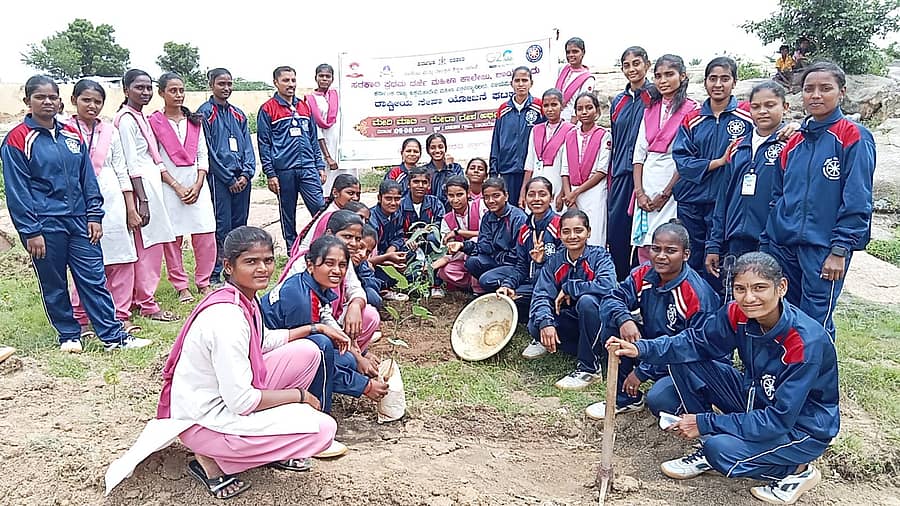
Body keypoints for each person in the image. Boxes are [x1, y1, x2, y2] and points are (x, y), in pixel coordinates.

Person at [113, 227, 339, 499]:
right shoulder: (227, 318)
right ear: (228, 266)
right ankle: (212, 459)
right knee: (323, 429)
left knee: (308, 352)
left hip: (224, 396)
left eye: (267, 260)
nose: (263, 269)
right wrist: (300, 396)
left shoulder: (242, 298)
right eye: (251, 261)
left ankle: (267, 447)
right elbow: (241, 402)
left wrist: (315, 328)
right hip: (203, 420)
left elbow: (263, 341)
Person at [607, 252, 837, 506]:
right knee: (685, 358)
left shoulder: (804, 344)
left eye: (759, 288)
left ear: (781, 287)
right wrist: (642, 349)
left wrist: (705, 422)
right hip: (755, 398)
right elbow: (694, 343)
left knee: (721, 451)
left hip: (799, 427)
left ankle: (796, 471)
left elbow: (777, 421)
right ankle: (707, 444)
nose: (749, 298)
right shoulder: (738, 313)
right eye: (740, 289)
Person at [1, 75, 149, 352]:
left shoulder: (71, 136)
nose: (47, 102)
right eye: (40, 97)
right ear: (27, 102)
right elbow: (17, 190)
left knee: (93, 277)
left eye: (52, 97)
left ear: (60, 101)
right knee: (54, 281)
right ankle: (69, 335)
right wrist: (30, 231)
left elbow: (87, 180)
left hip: (80, 221)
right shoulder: (18, 139)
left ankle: (113, 337)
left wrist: (94, 215)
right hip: (45, 225)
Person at [763, 62, 876, 339]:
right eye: (808, 89)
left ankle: (818, 380)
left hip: (824, 248)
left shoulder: (854, 137)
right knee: (785, 312)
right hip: (785, 245)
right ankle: (787, 372)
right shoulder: (793, 141)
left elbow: (858, 198)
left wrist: (840, 249)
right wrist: (771, 238)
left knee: (816, 320)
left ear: (841, 92)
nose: (816, 95)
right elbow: (778, 195)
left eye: (825, 89)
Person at [584, 220, 720, 419]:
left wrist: (642, 372)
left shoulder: (696, 295)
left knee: (659, 400)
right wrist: (624, 320)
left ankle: (705, 411)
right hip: (656, 347)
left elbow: (691, 346)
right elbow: (612, 298)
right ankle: (625, 399)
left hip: (690, 361)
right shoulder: (644, 273)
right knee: (614, 325)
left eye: (670, 250)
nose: (661, 256)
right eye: (656, 249)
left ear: (686, 255)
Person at [263, 224, 386, 414]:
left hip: (280, 349)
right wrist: (364, 386)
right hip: (265, 359)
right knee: (322, 347)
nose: (337, 271)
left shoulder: (312, 285)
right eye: (329, 264)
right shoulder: (300, 299)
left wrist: (358, 355)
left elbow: (325, 316)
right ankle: (319, 412)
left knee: (347, 359)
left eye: (342, 265)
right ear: (310, 265)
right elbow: (316, 357)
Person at [66, 79, 140, 336]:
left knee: (121, 257)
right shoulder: (64, 130)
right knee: (85, 259)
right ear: (74, 100)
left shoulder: (110, 131)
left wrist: (131, 208)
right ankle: (82, 315)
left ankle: (120, 313)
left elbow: (122, 170)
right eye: (86, 100)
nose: (92, 106)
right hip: (77, 202)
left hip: (112, 199)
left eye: (98, 101)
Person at [673, 57, 753, 289]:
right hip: (692, 201)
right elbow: (683, 162)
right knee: (691, 257)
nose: (718, 84)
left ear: (734, 82)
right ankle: (691, 308)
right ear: (705, 82)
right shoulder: (692, 119)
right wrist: (717, 162)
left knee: (721, 262)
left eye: (725, 79)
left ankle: (721, 314)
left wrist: (792, 127)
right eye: (713, 79)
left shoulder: (747, 118)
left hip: (727, 203)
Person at [707, 81, 788, 279]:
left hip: (771, 242)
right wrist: (714, 243)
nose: (762, 111)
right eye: (756, 106)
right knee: (733, 298)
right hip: (735, 239)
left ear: (785, 107)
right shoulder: (737, 146)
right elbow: (723, 197)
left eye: (770, 105)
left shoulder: (791, 144)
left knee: (764, 298)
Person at [527, 209, 617, 390]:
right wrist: (546, 323)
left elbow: (608, 285)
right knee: (535, 326)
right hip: (573, 320)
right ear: (559, 234)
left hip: (600, 322)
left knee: (587, 301)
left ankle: (589, 369)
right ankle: (587, 350)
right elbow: (541, 294)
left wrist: (570, 287)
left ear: (588, 232)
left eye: (578, 230)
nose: (572, 236)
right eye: (566, 231)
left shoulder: (600, 256)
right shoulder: (555, 261)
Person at [115, 69, 179, 323]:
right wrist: (142, 201)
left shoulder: (139, 116)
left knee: (150, 247)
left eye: (148, 87)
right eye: (139, 87)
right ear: (126, 89)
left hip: (151, 186)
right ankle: (146, 303)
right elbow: (131, 164)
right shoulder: (127, 120)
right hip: (144, 190)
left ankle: (139, 298)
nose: (145, 92)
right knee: (147, 249)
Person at [149, 73, 217, 303]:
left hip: (197, 185)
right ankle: (181, 285)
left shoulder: (194, 121)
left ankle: (204, 281)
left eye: (181, 90)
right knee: (173, 238)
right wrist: (176, 186)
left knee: (205, 233)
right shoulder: (154, 123)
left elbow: (202, 154)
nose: (178, 95)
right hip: (168, 186)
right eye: (172, 90)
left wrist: (198, 184)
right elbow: (155, 158)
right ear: (161, 93)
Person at [632, 55, 697, 264]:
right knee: (645, 241)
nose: (662, 80)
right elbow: (639, 154)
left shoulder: (693, 110)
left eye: (669, 74)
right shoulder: (650, 109)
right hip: (647, 180)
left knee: (669, 241)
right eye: (658, 76)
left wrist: (666, 192)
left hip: (673, 181)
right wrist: (639, 193)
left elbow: (686, 156)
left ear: (683, 76)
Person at [197, 68, 256, 286]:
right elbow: (207, 151)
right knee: (222, 226)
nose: (226, 88)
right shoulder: (204, 113)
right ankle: (215, 271)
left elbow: (248, 147)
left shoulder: (238, 114)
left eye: (229, 84)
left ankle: (237, 270)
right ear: (211, 84)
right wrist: (229, 179)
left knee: (240, 225)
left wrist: (247, 174)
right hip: (220, 181)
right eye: (221, 84)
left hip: (242, 180)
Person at [258, 65, 326, 248]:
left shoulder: (304, 106)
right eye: (286, 80)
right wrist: (270, 174)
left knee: (320, 208)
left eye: (293, 80)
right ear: (276, 83)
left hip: (308, 167)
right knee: (288, 213)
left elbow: (313, 138)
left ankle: (322, 245)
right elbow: (264, 144)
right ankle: (292, 249)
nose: (291, 84)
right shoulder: (267, 109)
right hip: (284, 170)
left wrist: (319, 165)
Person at [496, 177, 562, 330]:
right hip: (532, 283)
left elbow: (564, 266)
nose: (537, 199)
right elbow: (521, 266)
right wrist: (508, 285)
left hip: (555, 287)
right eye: (531, 194)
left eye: (542, 194)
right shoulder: (525, 230)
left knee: (540, 280)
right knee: (505, 297)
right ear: (525, 198)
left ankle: (545, 322)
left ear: (551, 198)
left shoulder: (560, 226)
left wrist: (543, 260)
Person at [609, 46, 652, 280]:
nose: (632, 69)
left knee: (645, 236)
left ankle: (642, 285)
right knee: (617, 234)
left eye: (636, 63)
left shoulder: (655, 96)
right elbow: (616, 138)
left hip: (647, 175)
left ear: (647, 64)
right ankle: (619, 284)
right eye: (627, 65)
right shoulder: (618, 101)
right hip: (620, 175)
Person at [447, 177, 527, 294]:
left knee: (486, 280)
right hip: (496, 260)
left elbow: (519, 256)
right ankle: (496, 286)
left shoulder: (518, 218)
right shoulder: (488, 216)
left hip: (515, 265)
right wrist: (462, 245)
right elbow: (484, 247)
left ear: (506, 196)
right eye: (486, 197)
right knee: (472, 262)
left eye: (496, 196)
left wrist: (497, 257)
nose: (490, 201)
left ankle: (509, 289)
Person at [559, 92, 611, 247]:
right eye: (580, 108)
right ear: (575, 112)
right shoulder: (570, 135)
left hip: (594, 192)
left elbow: (602, 171)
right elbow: (565, 169)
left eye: (589, 108)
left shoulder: (604, 135)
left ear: (597, 111)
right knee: (573, 234)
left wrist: (576, 192)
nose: (584, 112)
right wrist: (569, 195)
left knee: (594, 234)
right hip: (573, 192)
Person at [490, 66, 544, 204]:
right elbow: (496, 142)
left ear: (531, 83)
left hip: (531, 171)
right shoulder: (503, 110)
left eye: (525, 80)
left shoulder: (539, 107)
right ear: (511, 83)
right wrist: (493, 172)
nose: (521, 84)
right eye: (517, 80)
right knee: (509, 210)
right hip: (507, 170)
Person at [522, 88, 575, 209]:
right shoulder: (536, 130)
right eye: (546, 105)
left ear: (562, 106)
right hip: (536, 184)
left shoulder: (571, 130)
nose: (550, 109)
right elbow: (529, 165)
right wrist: (523, 192)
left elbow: (568, 166)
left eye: (554, 105)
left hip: (557, 183)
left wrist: (562, 193)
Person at [306, 63, 352, 195]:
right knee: (328, 187)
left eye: (328, 76)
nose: (324, 79)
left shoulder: (338, 96)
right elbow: (316, 130)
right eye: (321, 76)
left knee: (348, 183)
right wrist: (328, 157)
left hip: (343, 149)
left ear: (332, 79)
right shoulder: (310, 100)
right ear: (316, 78)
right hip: (325, 148)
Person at [291, 173, 361, 257]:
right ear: (335, 193)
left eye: (358, 194)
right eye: (350, 193)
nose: (355, 198)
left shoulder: (339, 211)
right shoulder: (331, 215)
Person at [434, 176, 484, 293]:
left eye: (459, 194)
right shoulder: (447, 219)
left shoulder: (480, 206)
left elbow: (486, 235)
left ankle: (479, 289)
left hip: (483, 254)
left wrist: (458, 232)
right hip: (461, 258)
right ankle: (471, 284)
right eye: (451, 196)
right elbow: (448, 250)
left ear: (468, 193)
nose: (455, 200)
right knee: (445, 272)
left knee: (475, 242)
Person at [368, 180, 410, 301]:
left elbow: (399, 235)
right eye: (388, 198)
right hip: (374, 258)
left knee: (410, 252)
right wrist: (388, 258)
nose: (393, 203)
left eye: (397, 199)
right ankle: (384, 288)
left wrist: (392, 250)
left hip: (388, 253)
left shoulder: (397, 214)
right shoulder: (371, 218)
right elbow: (370, 253)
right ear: (379, 198)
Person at [555, 37, 595, 123]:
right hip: (556, 117)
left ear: (583, 53)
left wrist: (572, 125)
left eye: (575, 52)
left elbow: (582, 103)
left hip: (571, 120)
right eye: (568, 52)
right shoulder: (562, 69)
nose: (571, 55)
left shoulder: (588, 78)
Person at [423, 133, 463, 210]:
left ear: (445, 149)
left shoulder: (456, 168)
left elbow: (458, 187)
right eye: (433, 148)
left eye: (440, 147)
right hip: (431, 212)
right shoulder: (424, 171)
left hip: (453, 210)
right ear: (428, 150)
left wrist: (449, 168)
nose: (437, 151)